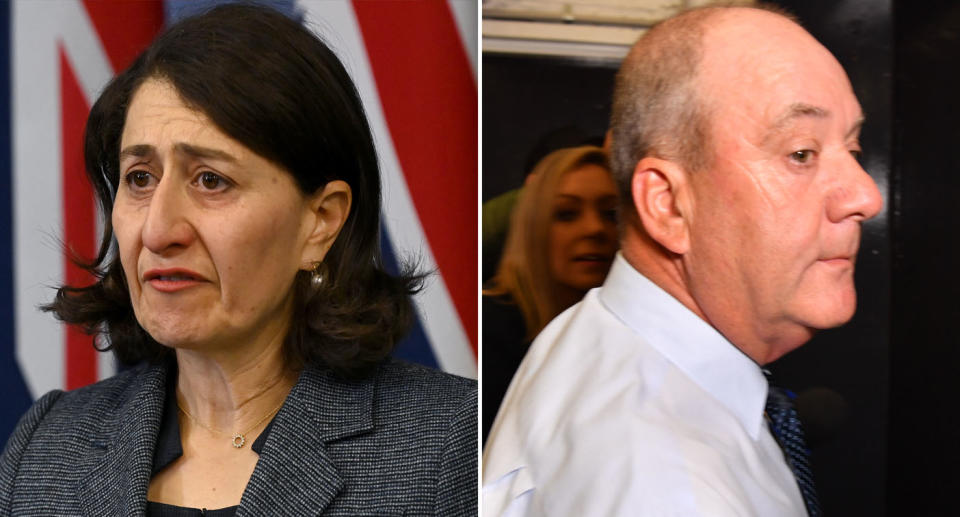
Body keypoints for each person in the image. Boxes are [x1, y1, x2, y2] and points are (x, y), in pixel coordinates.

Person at [0, 5, 476, 516]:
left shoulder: (450, 450)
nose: (159, 231)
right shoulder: (47, 447)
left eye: (210, 180)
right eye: (139, 177)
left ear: (321, 221)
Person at [483, 6, 882, 517]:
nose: (865, 195)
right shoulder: (668, 489)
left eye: (852, 146)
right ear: (668, 204)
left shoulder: (600, 330)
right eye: (801, 153)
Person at [482, 145, 617, 439]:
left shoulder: (631, 336)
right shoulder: (488, 331)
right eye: (567, 214)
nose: (595, 228)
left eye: (611, 214)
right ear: (534, 227)